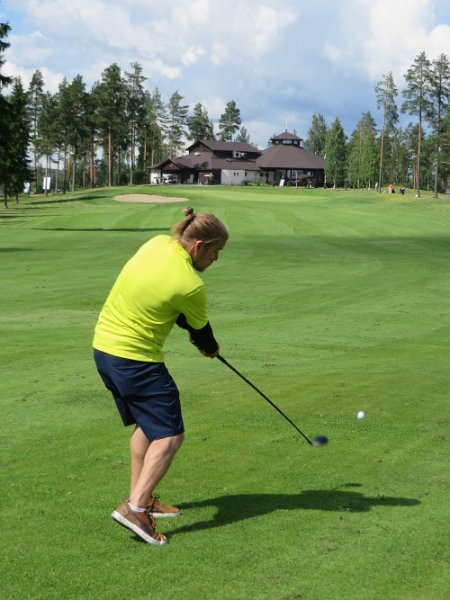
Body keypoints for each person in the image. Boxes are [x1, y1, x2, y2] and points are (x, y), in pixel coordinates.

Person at [93, 206, 228, 545]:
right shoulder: (191, 285)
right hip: (135, 360)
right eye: (215, 252)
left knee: (148, 426)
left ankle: (141, 497)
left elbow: (163, 301)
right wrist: (211, 349)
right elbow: (200, 332)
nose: (216, 259)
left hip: (104, 350)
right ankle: (135, 508)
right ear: (199, 246)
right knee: (169, 435)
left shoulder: (155, 244)